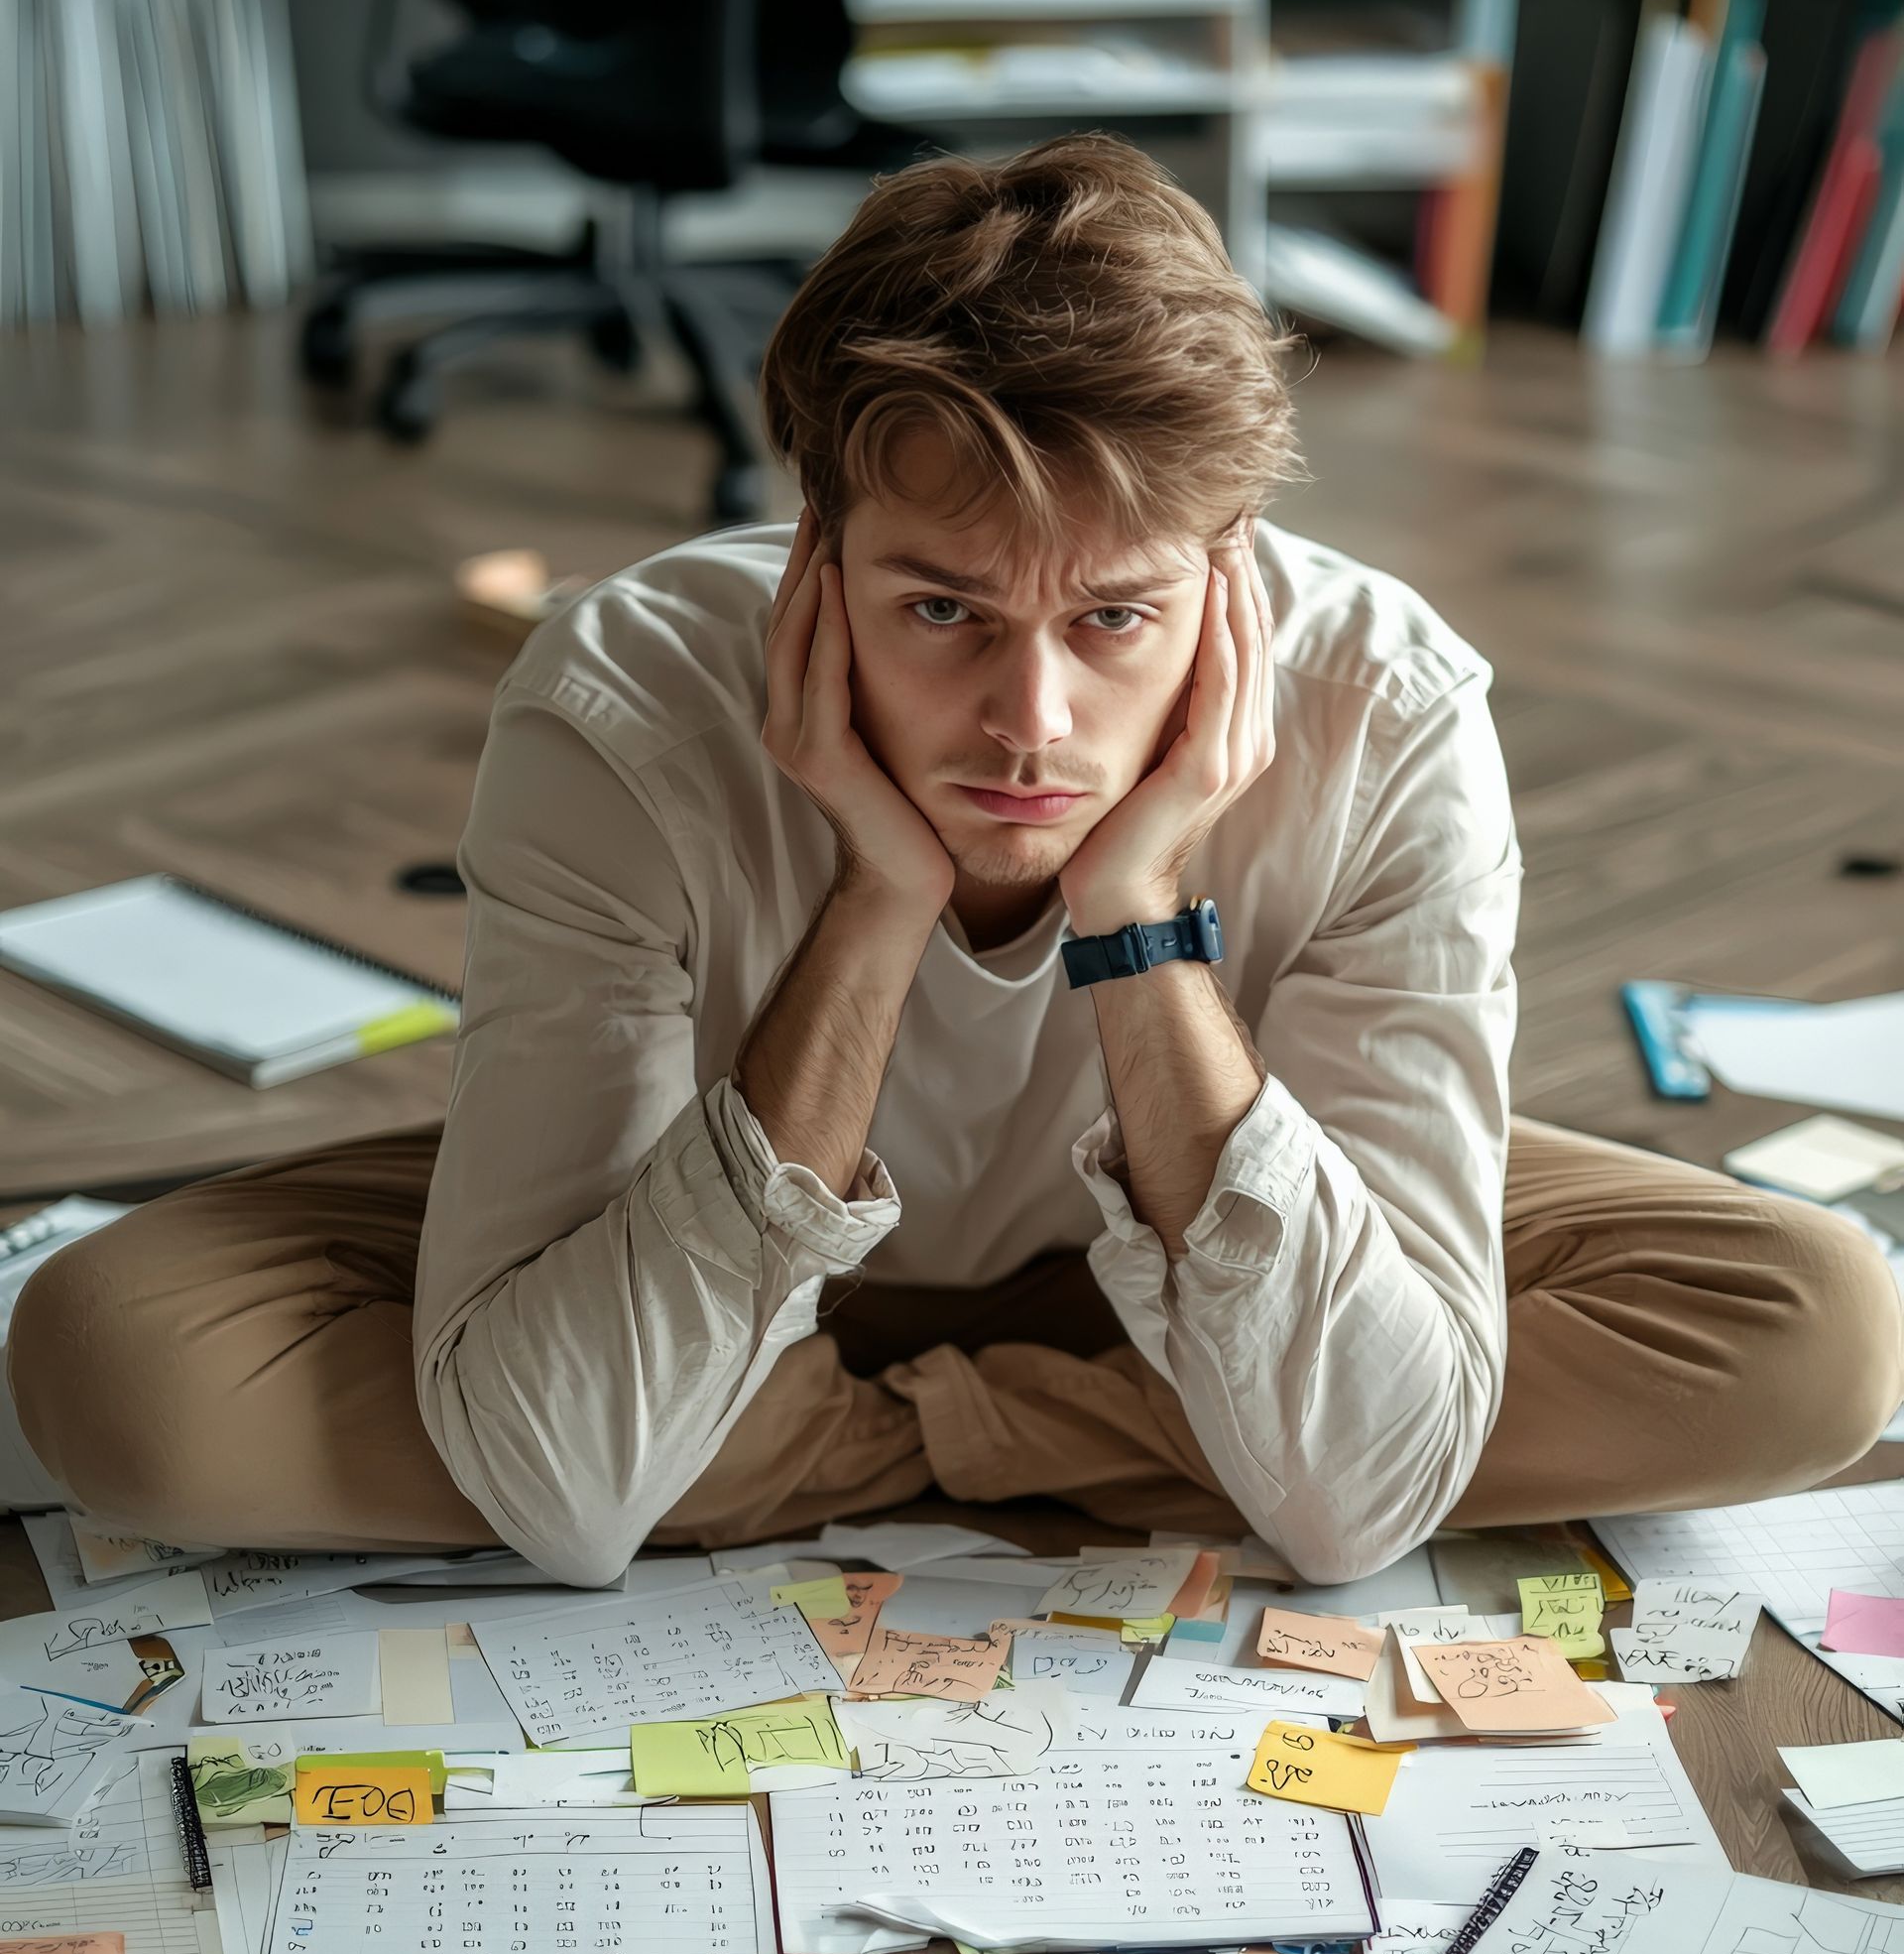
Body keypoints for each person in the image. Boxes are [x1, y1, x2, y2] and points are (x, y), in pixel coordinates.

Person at [11, 137, 1901, 1583]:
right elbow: (571, 1498)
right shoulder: (618, 704)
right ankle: (1097, 1429)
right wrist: (879, 895)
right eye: (940, 608)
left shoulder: (1384, 707)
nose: (1032, 727)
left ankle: (822, 1442)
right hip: (734, 1206)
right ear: (814, 549)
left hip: (1153, 1232)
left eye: (1115, 620)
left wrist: (1139, 917)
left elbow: (1359, 1508)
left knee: (1820, 1334)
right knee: (122, 1365)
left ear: (1226, 568)